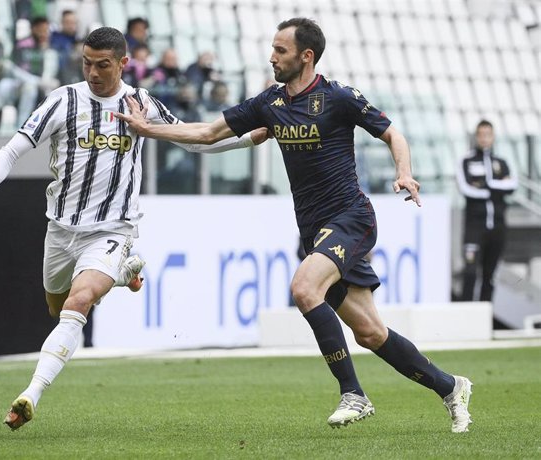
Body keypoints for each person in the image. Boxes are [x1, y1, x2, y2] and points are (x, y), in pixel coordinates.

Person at [116, 17, 473, 433]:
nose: (272, 57)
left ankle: (353, 394)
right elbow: (208, 133)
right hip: (315, 231)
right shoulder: (270, 102)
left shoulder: (338, 96)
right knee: (371, 333)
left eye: (280, 50)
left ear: (306, 56)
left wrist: (404, 172)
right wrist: (147, 129)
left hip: (351, 218)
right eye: (272, 48)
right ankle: (451, 387)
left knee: (304, 288)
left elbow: (393, 134)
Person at [0, 26, 266, 431]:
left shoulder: (141, 103)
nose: (93, 73)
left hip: (112, 228)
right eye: (87, 63)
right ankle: (124, 273)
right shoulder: (63, 100)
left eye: (102, 65)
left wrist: (245, 141)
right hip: (61, 229)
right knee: (56, 307)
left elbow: (192, 139)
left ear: (123, 63)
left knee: (78, 302)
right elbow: (14, 147)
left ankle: (29, 395)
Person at [456, 120, 517, 302]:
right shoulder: (466, 160)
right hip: (474, 227)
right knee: (470, 272)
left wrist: (487, 184)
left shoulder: (501, 162)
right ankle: (466, 315)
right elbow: (466, 188)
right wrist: (497, 188)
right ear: (476, 136)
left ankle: (485, 316)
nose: (484, 138)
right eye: (481, 134)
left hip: (497, 226)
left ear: (493, 137)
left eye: (488, 134)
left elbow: (512, 184)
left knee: (490, 275)